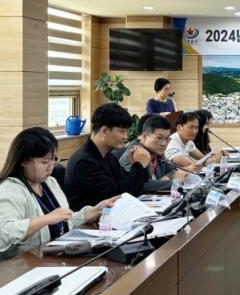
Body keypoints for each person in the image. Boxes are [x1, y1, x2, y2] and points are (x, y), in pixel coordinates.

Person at [0, 128, 118, 258]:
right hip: (24, 265)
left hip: (55, 257)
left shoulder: (49, 182)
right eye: (44, 162)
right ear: (24, 161)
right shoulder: (11, 189)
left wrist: (93, 211)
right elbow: (4, 233)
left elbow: (62, 220)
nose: (50, 167)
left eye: (53, 160)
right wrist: (46, 219)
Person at [65, 103, 151, 210]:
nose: (126, 137)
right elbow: (117, 194)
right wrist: (139, 166)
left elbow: (130, 187)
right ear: (104, 131)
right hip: (94, 219)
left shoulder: (108, 156)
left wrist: (136, 164)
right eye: (122, 131)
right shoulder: (84, 162)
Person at [119, 115, 194, 192]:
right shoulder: (133, 154)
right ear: (144, 136)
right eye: (159, 138)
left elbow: (173, 171)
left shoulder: (157, 153)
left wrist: (165, 178)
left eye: (167, 138)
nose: (164, 143)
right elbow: (141, 184)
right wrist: (174, 183)